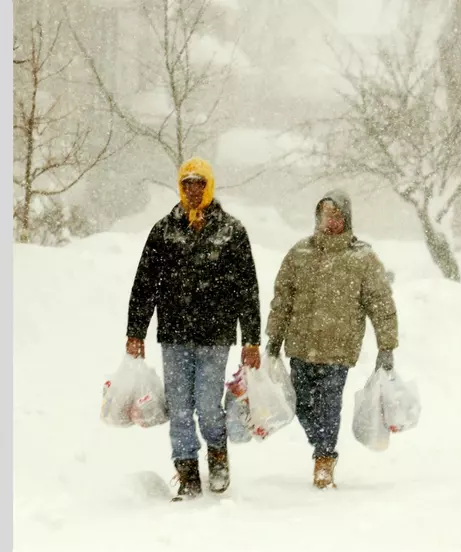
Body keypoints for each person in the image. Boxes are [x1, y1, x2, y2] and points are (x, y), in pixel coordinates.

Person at [125, 157, 262, 502]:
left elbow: (247, 287)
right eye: (186, 184)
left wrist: (252, 339)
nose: (192, 190)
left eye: (199, 183)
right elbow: (145, 284)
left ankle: (217, 455)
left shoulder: (231, 231)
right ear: (180, 187)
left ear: (209, 186)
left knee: (207, 403)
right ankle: (186, 470)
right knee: (180, 406)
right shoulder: (164, 230)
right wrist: (135, 331)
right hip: (174, 334)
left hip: (215, 335)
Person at [265, 190, 398, 490]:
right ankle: (320, 443)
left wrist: (386, 346)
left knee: (328, 405)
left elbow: (381, 303)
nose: (332, 221)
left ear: (346, 219)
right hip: (301, 345)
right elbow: (282, 298)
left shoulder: (362, 257)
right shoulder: (300, 253)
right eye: (327, 215)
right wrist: (274, 336)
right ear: (318, 217)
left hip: (338, 349)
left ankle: (324, 459)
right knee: (300, 404)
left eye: (338, 216)